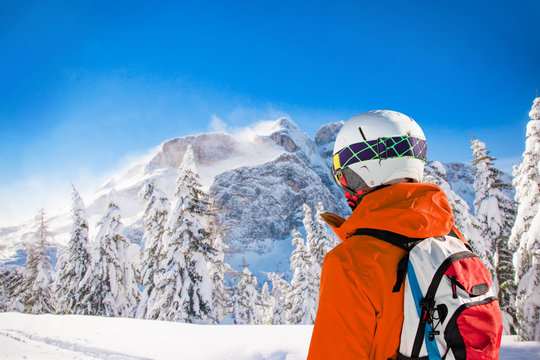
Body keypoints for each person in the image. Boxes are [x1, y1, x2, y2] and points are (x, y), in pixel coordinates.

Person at [307, 110, 462, 359]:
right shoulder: (453, 240)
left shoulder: (350, 262)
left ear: (366, 171)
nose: (345, 186)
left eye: (346, 176)